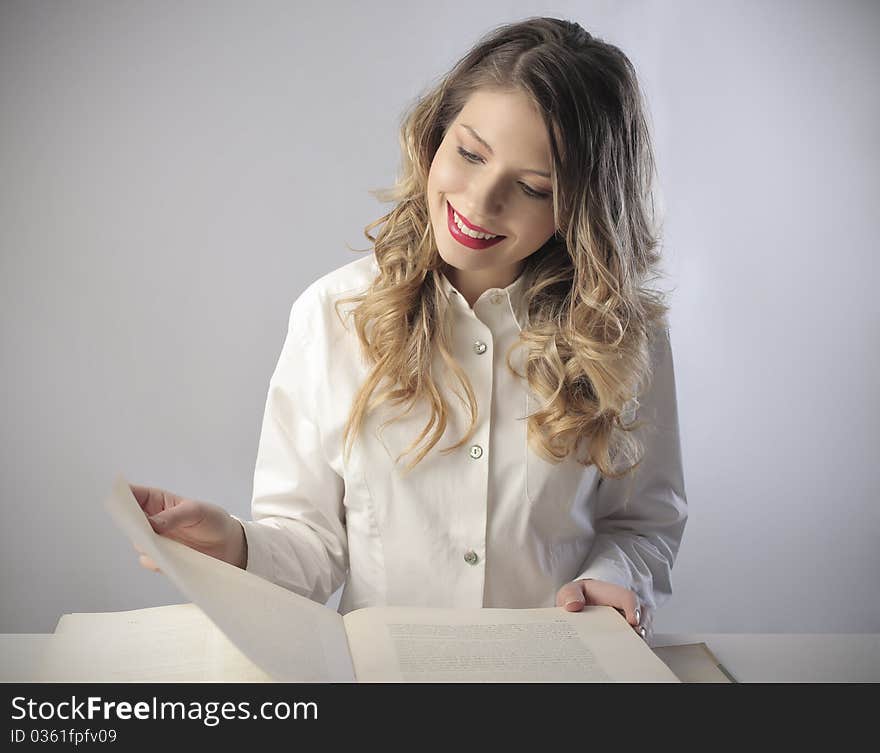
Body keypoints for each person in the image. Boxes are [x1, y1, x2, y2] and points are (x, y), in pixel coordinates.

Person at [132, 16, 687, 645]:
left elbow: (643, 526)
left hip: (550, 680)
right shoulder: (333, 313)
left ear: (579, 208)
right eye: (470, 153)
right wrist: (232, 545)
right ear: (434, 136)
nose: (480, 201)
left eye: (533, 188)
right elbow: (310, 549)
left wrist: (617, 581)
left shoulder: (619, 335)